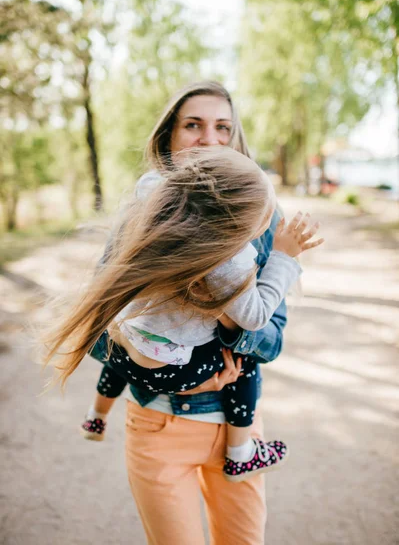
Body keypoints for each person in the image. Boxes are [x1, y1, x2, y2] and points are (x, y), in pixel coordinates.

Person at [49, 82, 322, 544]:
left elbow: (272, 337)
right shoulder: (144, 215)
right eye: (193, 125)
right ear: (169, 139)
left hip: (236, 426)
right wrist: (169, 372)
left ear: (236, 141)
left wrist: (228, 320)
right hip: (157, 424)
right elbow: (99, 324)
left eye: (223, 127)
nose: (209, 138)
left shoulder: (257, 219)